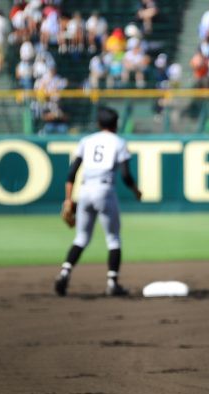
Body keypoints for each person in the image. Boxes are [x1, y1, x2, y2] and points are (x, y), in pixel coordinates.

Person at [55, 107, 142, 297]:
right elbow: (126, 175)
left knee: (81, 238)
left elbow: (71, 173)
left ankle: (64, 273)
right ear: (115, 124)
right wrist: (136, 191)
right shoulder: (119, 142)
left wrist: (68, 199)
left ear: (98, 124)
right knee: (113, 238)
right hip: (104, 190)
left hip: (85, 190)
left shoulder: (87, 141)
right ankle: (112, 283)